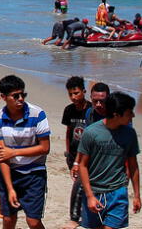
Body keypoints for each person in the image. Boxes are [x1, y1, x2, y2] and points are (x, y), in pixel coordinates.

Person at [0, 75, 50, 229]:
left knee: (33, 221)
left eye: (23, 94)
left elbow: (45, 148)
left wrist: (14, 153)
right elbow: (2, 157)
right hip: (9, 174)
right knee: (9, 219)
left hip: (34, 175)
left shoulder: (37, 114)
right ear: (4, 97)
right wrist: (10, 189)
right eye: (15, 96)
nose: (20, 99)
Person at [77, 92, 141, 229]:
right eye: (130, 113)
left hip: (118, 192)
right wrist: (89, 196)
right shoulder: (91, 132)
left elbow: (133, 165)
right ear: (117, 114)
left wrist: (137, 195)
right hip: (94, 191)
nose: (133, 116)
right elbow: (82, 166)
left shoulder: (130, 134)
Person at [62, 76, 92, 229]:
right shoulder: (69, 110)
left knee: (80, 185)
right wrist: (68, 152)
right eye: (70, 94)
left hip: (88, 156)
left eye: (76, 93)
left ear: (84, 92)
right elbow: (68, 132)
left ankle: (74, 218)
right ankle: (82, 213)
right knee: (79, 184)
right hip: (73, 154)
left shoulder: (92, 110)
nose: (74, 97)